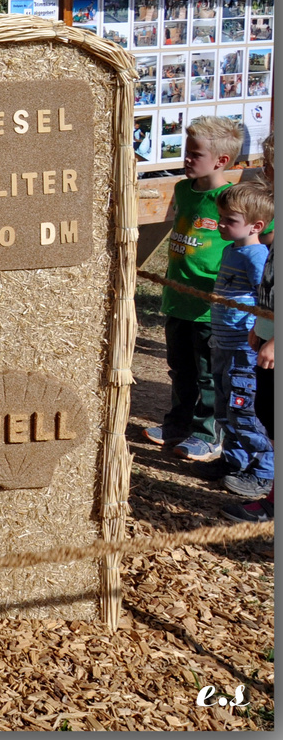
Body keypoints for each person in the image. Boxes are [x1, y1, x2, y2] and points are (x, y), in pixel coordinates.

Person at [143, 115, 247, 461]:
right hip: (177, 299)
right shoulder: (182, 190)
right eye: (186, 152)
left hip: (208, 306)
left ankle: (207, 434)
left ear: (221, 161)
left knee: (207, 374)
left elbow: (264, 227)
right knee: (179, 367)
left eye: (195, 154)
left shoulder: (232, 198)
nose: (187, 159)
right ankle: (177, 425)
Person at [192, 182, 273, 498]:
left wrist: (263, 335)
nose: (221, 224)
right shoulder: (231, 250)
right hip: (223, 344)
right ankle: (233, 461)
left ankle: (264, 472)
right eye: (221, 217)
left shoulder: (256, 256)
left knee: (245, 410)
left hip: (243, 349)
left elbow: (265, 298)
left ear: (256, 226)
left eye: (229, 220)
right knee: (225, 407)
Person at [226, 134, 275, 522]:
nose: (266, 173)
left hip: (265, 340)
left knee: (259, 412)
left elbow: (268, 289)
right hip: (256, 332)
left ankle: (265, 480)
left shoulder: (260, 248)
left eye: (271, 167)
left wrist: (273, 338)